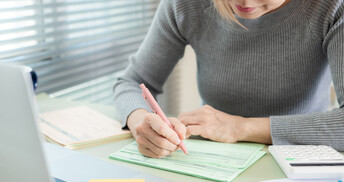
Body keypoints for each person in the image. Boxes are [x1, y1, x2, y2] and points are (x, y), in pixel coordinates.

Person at [113, 0, 344, 158]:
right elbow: (132, 82)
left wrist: (240, 128)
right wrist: (140, 120)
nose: (243, 2)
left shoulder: (332, 7)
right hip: (214, 162)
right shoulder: (187, 5)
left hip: (301, 163)